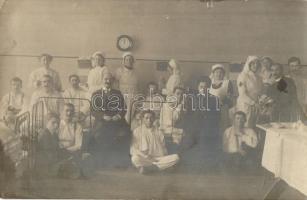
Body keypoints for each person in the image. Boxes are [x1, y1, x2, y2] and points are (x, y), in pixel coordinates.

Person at [90, 72, 130, 168]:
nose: (108, 81)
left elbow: (124, 108)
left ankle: (119, 163)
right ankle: (101, 163)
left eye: (109, 79)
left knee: (125, 134)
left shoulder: (118, 93)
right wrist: (103, 116)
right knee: (99, 135)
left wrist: (118, 116)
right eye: (105, 79)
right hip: (102, 121)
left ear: (112, 81)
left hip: (116, 121)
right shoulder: (96, 94)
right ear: (102, 80)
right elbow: (93, 110)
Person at [130, 110, 179, 174]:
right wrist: (146, 156)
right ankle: (161, 168)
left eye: (151, 118)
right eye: (146, 118)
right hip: (146, 158)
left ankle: (150, 168)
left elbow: (163, 148)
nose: (149, 120)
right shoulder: (137, 131)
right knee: (135, 158)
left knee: (176, 157)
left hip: (158, 159)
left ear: (154, 119)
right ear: (142, 119)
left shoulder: (159, 131)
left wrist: (163, 158)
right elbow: (133, 149)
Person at [58, 103, 94, 178]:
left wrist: (66, 150)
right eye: (67, 110)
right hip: (57, 151)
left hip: (71, 152)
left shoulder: (77, 126)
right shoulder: (56, 124)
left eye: (71, 111)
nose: (69, 113)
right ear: (61, 112)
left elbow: (78, 145)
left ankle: (71, 168)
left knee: (84, 159)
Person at [236, 56, 263, 128]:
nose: (255, 65)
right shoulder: (243, 76)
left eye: (257, 63)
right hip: (245, 105)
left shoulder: (259, 78)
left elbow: (260, 93)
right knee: (245, 126)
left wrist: (260, 102)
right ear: (249, 65)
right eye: (253, 63)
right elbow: (242, 94)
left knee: (254, 127)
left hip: (255, 106)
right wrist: (253, 103)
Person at [159, 86, 186, 153]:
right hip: (165, 130)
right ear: (173, 94)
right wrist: (181, 131)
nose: (180, 96)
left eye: (182, 95)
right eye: (178, 93)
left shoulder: (180, 106)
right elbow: (170, 123)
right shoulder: (167, 105)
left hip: (173, 131)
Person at [115, 52, 139, 123]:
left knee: (130, 113)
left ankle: (127, 127)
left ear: (133, 61)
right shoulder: (119, 71)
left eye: (130, 60)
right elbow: (115, 83)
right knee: (122, 112)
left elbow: (137, 85)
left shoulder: (136, 72)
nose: (129, 61)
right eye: (127, 60)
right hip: (122, 94)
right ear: (124, 61)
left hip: (133, 95)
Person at [35, 113, 61, 177]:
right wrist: (57, 160)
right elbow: (48, 151)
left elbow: (56, 148)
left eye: (58, 123)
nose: (56, 125)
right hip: (45, 164)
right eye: (53, 122)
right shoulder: (44, 134)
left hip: (51, 160)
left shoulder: (54, 134)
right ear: (47, 122)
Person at [209, 64, 233, 132]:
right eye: (217, 72)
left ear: (223, 74)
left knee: (222, 127)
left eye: (221, 72)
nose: (219, 74)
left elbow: (230, 99)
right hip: (211, 109)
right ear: (213, 73)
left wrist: (223, 102)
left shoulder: (227, 83)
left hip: (223, 109)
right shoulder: (209, 83)